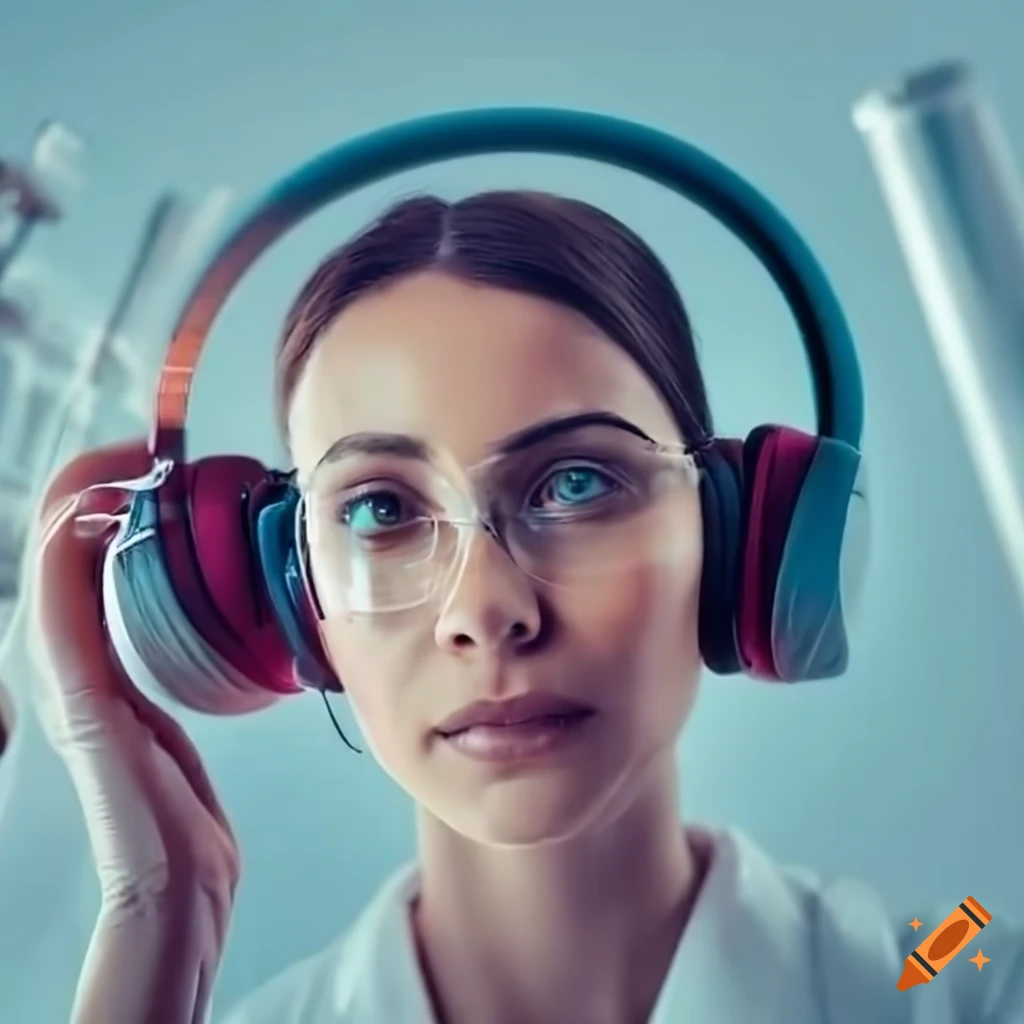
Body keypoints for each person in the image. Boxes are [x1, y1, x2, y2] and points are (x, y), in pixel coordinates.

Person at [29, 190, 1024, 1024]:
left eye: (577, 483)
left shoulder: (943, 976)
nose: (488, 611)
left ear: (735, 543)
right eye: (381, 506)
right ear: (280, 602)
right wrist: (157, 909)